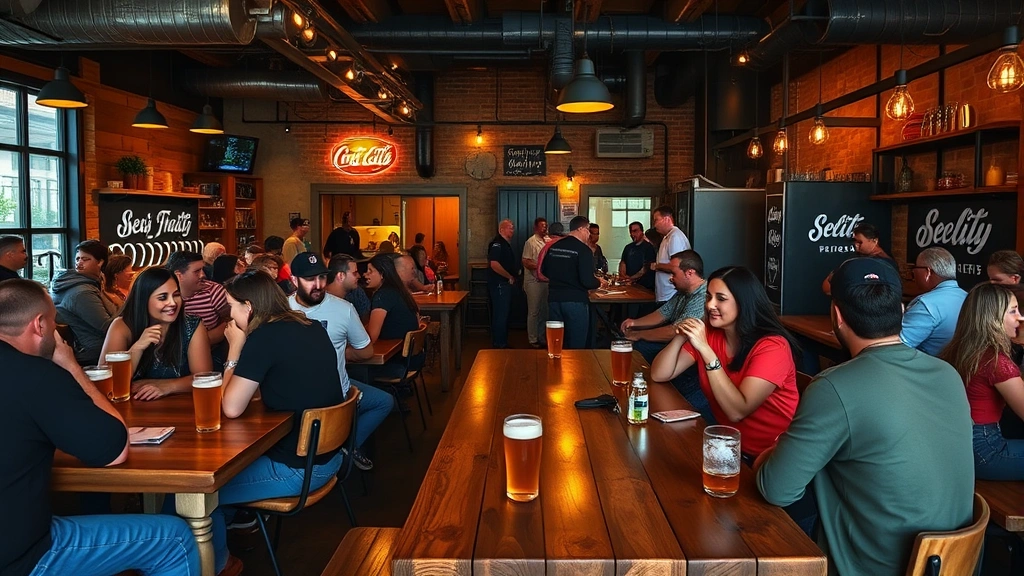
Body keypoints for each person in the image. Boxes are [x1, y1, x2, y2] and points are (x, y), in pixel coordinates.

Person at [756, 257, 974, 576]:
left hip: (871, 567)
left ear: (838, 316)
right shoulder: (948, 375)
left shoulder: (834, 386)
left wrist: (769, 454)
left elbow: (776, 489)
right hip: (954, 564)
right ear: (901, 312)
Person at [0, 279, 199, 576]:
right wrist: (71, 366)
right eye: (55, 323)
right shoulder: (37, 376)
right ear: (40, 325)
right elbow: (114, 449)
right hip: (20, 556)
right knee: (175, 538)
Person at [209, 270, 345, 576]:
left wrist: (234, 349)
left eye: (230, 306)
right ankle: (232, 530)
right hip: (329, 456)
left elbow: (230, 408)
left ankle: (220, 564)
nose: (228, 316)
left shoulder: (263, 337)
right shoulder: (309, 325)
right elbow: (256, 395)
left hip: (299, 470)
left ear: (248, 307)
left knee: (199, 495)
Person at [651, 266, 800, 459]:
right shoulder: (712, 334)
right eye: (708, 297)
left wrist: (705, 350)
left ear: (743, 302)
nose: (710, 305)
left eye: (721, 299)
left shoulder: (773, 347)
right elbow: (660, 374)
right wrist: (682, 334)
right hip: (727, 448)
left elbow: (737, 411)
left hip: (772, 457)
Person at [288, 253, 395, 471]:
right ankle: (343, 448)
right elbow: (364, 353)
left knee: (382, 401)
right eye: (310, 279)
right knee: (383, 401)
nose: (318, 285)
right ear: (293, 280)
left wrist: (342, 353)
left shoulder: (344, 309)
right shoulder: (280, 310)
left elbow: (366, 352)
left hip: (336, 397)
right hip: (295, 401)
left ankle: (340, 448)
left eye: (321, 278)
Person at [940, 282, 1024, 480]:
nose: (1020, 317)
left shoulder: (958, 349)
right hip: (985, 449)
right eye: (1013, 311)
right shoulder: (996, 362)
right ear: (993, 318)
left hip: (957, 445)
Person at [99, 267, 213, 401]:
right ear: (144, 300)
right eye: (163, 297)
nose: (172, 303)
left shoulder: (192, 325)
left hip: (180, 410)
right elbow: (106, 381)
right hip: (128, 411)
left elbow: (205, 378)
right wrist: (137, 348)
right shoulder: (122, 326)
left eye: (176, 295)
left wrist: (167, 386)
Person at [622, 250, 707, 363]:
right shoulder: (683, 292)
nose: (670, 278)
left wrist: (639, 334)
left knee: (640, 346)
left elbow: (676, 331)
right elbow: (663, 313)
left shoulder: (703, 296)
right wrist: (634, 323)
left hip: (689, 353)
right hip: (676, 345)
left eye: (674, 273)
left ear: (690, 273)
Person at [51, 240, 117, 364]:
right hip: (93, 354)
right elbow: (108, 327)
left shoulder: (85, 283)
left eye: (85, 259)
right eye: (77, 259)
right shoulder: (82, 292)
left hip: (92, 349)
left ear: (100, 262)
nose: (79, 263)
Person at [359, 254, 423, 380]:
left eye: (370, 271)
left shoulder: (383, 296)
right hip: (413, 359)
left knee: (354, 369)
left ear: (382, 274)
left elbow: (371, 337)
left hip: (396, 364)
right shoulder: (399, 291)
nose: (365, 275)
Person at [541, 216, 600, 349]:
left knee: (556, 343)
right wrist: (599, 282)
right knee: (576, 345)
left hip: (554, 300)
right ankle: (575, 370)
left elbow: (544, 271)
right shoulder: (584, 250)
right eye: (588, 231)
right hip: (575, 302)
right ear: (581, 229)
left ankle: (555, 369)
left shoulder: (554, 247)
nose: (589, 234)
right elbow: (587, 281)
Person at [902, 247, 967, 355]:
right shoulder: (969, 297)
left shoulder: (926, 305)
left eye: (915, 268)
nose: (913, 275)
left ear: (928, 272)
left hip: (928, 369)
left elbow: (899, 348)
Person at [166, 251, 230, 346]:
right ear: (179, 275)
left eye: (202, 270)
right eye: (197, 271)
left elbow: (230, 321)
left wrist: (200, 343)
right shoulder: (165, 297)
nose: (203, 275)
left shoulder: (214, 291)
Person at [821, 222, 897, 295]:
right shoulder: (855, 258)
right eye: (855, 241)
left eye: (860, 242)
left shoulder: (885, 261)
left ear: (875, 240)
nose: (856, 245)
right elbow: (827, 286)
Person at [487, 219, 519, 349]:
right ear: (501, 230)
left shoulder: (505, 244)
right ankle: (499, 343)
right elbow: (494, 264)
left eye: (513, 228)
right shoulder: (497, 244)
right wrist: (509, 276)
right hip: (500, 284)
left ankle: (502, 341)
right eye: (510, 228)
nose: (512, 230)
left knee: (504, 314)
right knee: (501, 314)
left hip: (504, 284)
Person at [650, 205, 691, 303]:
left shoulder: (675, 237)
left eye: (656, 220)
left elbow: (676, 266)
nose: (654, 225)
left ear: (666, 219)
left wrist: (657, 266)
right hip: (665, 295)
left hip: (671, 296)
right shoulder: (667, 237)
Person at [522, 217, 549, 349]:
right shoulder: (531, 242)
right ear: (536, 228)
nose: (545, 228)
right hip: (533, 281)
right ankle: (532, 339)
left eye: (546, 225)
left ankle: (542, 336)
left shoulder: (548, 240)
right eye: (542, 226)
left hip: (546, 281)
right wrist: (541, 267)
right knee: (534, 311)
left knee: (545, 310)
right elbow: (526, 261)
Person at [327, 254, 371, 323]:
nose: (359, 276)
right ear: (341, 276)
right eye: (355, 273)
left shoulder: (357, 293)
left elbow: (366, 322)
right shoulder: (319, 297)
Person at [619, 221, 656, 289]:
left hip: (644, 287)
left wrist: (631, 278)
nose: (632, 234)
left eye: (635, 231)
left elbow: (645, 268)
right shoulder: (628, 247)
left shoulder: (648, 248)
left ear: (642, 231)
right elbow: (623, 262)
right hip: (629, 285)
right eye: (631, 232)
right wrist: (623, 276)